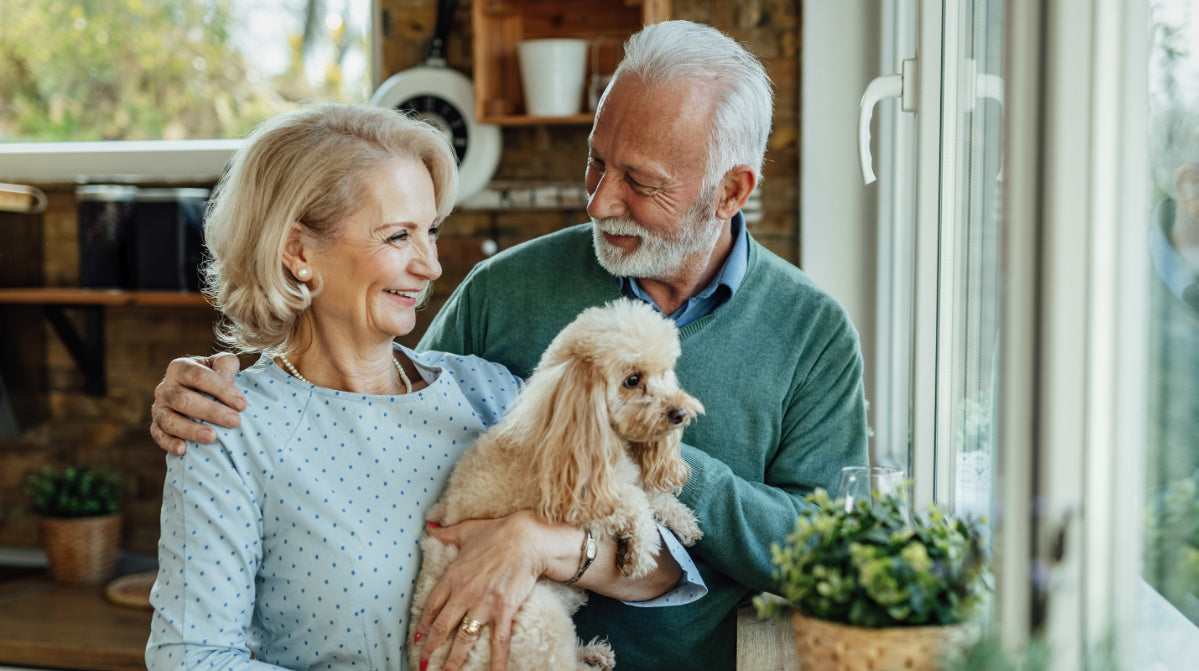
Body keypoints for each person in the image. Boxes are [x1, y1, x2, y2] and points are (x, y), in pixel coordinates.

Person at [151, 21, 869, 670]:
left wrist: (640, 460)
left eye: (640, 183)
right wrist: (208, 388)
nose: (597, 202)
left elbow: (811, 555)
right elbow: (365, 383)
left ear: (730, 190)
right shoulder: (502, 297)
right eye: (596, 163)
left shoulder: (810, 333)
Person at [144, 102, 703, 671]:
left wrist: (539, 542)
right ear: (298, 252)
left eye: (430, 231)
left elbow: (663, 572)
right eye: (397, 237)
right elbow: (189, 659)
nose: (431, 265)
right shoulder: (227, 428)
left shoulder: (487, 393)